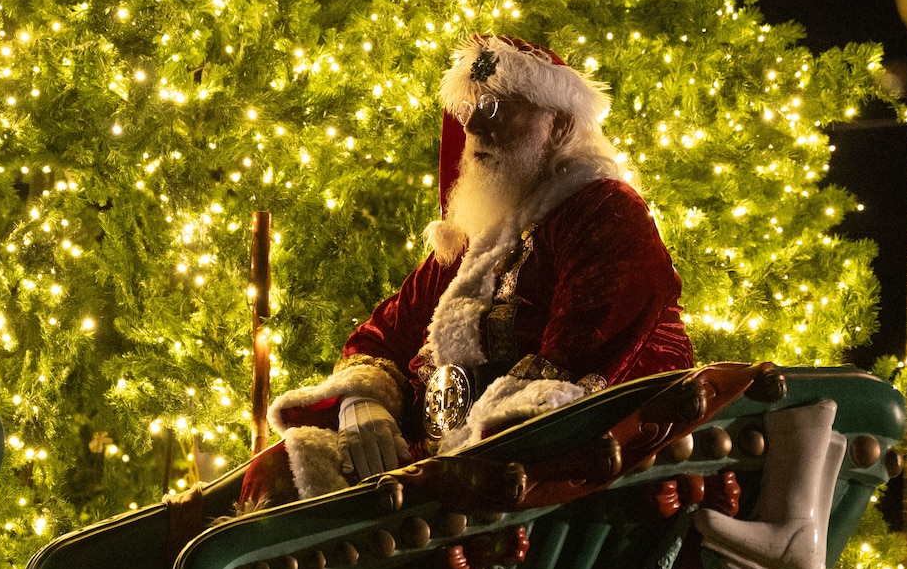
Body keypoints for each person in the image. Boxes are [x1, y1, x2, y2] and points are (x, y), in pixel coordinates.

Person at [241, 34, 695, 507]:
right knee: (273, 473)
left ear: (558, 125)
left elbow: (569, 376)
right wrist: (363, 403)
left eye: (497, 107)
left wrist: (432, 462)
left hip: (533, 470)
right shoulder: (476, 239)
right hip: (437, 458)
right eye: (471, 107)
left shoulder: (603, 210)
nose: (474, 125)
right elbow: (383, 333)